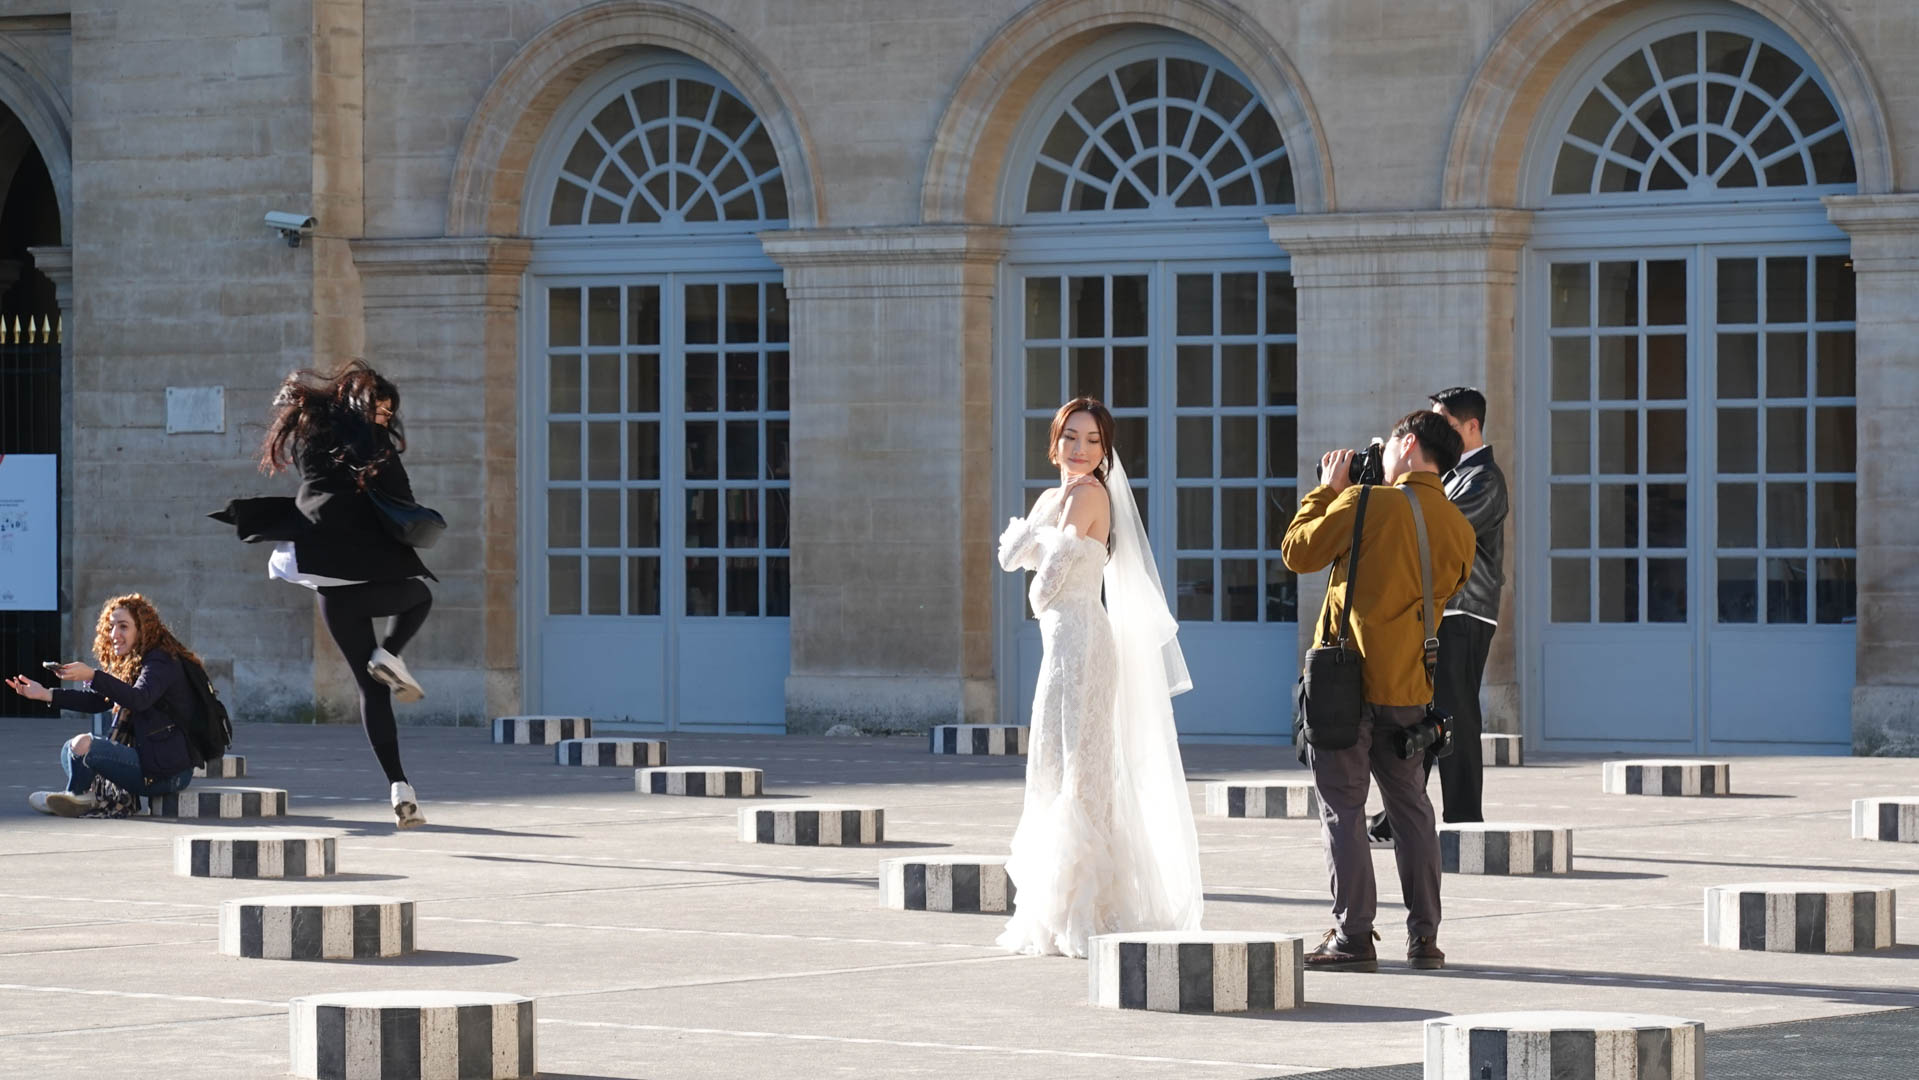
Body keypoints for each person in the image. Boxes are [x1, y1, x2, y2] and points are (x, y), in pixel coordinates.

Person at [994, 397, 1203, 957]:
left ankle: (1085, 911)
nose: (1079, 449)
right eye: (1070, 437)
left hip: (1084, 641)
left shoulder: (1090, 495)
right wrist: (1039, 540)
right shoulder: (1052, 497)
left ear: (1105, 449)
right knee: (1054, 760)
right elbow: (1012, 560)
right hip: (1061, 646)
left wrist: (1038, 553)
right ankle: (1055, 908)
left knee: (1080, 770)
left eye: (1092, 440)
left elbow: (1044, 586)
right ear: (1055, 441)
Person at [1281, 410, 1475, 972]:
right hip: (1411, 686)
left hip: (1347, 684)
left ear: (1408, 444)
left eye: (1388, 446)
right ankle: (1425, 939)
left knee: (1344, 809)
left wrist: (1327, 491)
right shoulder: (1458, 526)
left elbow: (1299, 552)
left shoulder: (1366, 502)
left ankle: (1353, 936)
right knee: (1412, 811)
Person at [214, 360, 433, 829]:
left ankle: (400, 787)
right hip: (360, 575)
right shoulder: (374, 448)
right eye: (382, 410)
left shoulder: (314, 436)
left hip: (326, 582)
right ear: (364, 405)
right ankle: (390, 654)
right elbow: (404, 500)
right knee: (419, 596)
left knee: (371, 689)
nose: (385, 419)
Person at [1371, 388, 1509, 843]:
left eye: (1445, 424)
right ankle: (1399, 817)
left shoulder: (1485, 478)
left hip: (1466, 611)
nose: (1436, 433)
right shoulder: (1452, 476)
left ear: (1472, 427)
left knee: (1455, 714)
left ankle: (1465, 819)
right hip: (1439, 611)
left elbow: (1441, 526)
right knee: (1428, 716)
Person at [7, 594, 202, 817]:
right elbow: (99, 700)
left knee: (83, 746)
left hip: (168, 773)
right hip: (149, 761)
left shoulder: (160, 662)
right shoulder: (134, 662)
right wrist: (45, 694)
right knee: (68, 750)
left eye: (123, 626)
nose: (114, 634)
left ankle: (76, 796)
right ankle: (82, 796)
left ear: (142, 629)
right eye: (111, 627)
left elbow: (139, 699)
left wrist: (93, 675)